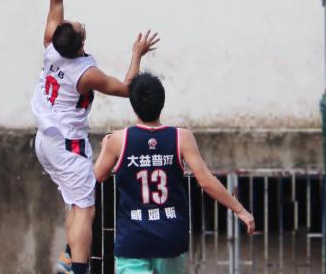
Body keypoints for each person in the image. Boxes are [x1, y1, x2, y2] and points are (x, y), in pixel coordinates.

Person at [32, 0, 160, 274]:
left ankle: (67, 257)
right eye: (79, 27)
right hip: (67, 145)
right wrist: (136, 55)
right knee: (86, 210)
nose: (74, 21)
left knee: (76, 202)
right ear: (80, 45)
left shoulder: (50, 46)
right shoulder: (86, 74)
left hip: (45, 141)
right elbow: (128, 88)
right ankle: (78, 269)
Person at [94, 73, 256, 274]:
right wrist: (240, 210)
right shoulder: (182, 137)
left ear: (133, 105)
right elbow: (206, 181)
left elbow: (98, 176)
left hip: (133, 239)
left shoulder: (118, 139)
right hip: (170, 236)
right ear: (162, 102)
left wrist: (105, 147)